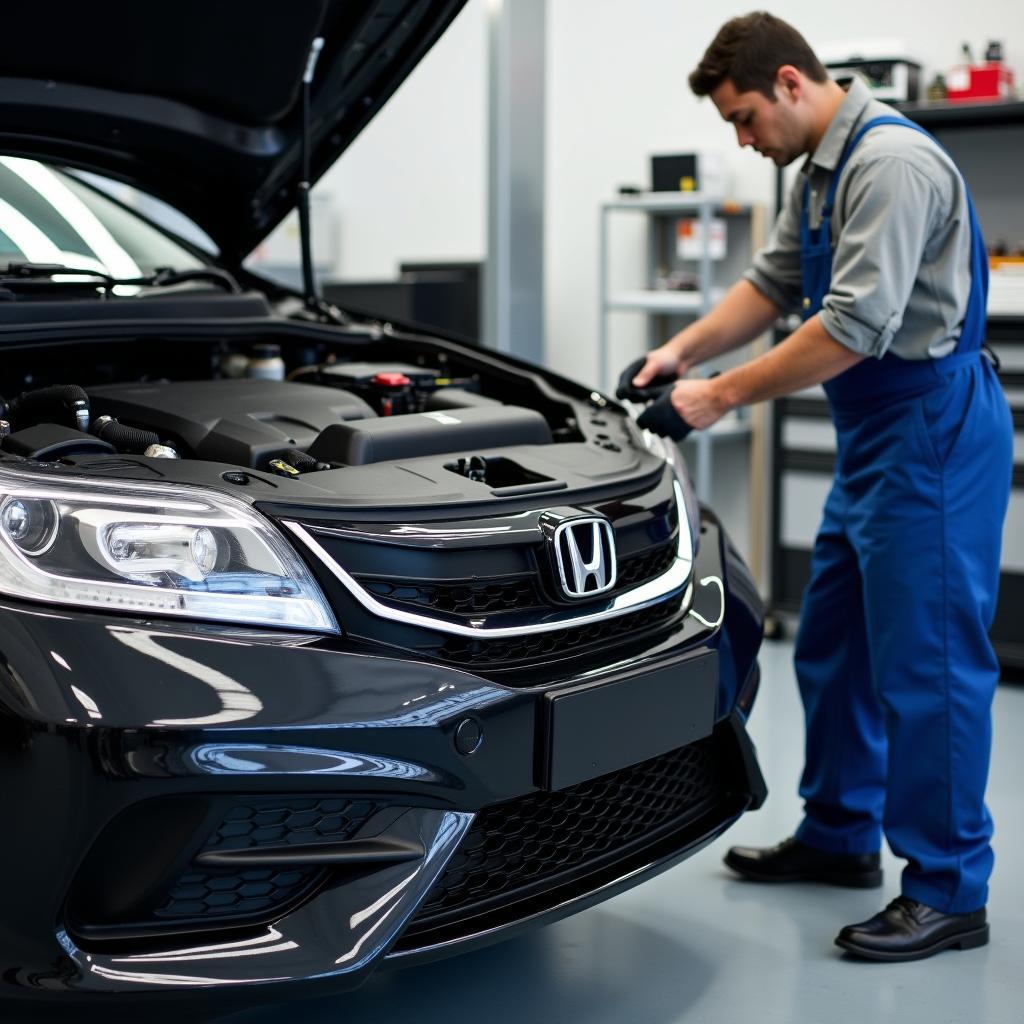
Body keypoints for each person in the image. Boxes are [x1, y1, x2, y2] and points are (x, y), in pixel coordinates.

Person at [621, 12, 1013, 962]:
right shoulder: (818, 174)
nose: (742, 138)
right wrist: (680, 350)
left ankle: (950, 889)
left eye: (745, 116)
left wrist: (713, 396)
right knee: (832, 642)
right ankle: (840, 836)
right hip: (873, 429)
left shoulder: (891, 165)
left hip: (929, 425)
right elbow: (772, 282)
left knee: (928, 666)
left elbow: (852, 326)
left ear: (791, 83)